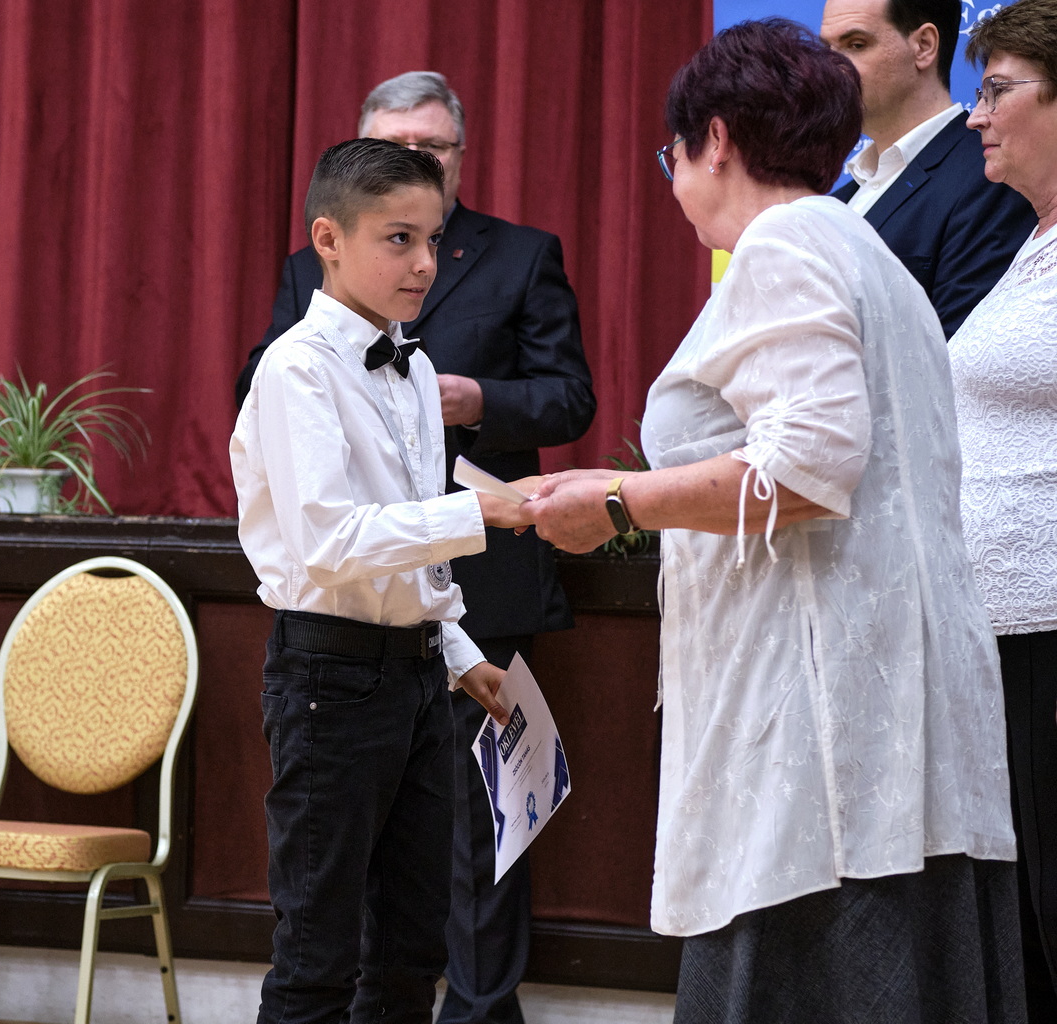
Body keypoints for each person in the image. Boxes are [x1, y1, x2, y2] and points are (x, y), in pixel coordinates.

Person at [493, 19, 1023, 1022]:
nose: (674, 181)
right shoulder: (858, 246)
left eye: (673, 156)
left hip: (819, 734)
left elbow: (809, 464)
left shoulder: (784, 244)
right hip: (880, 710)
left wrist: (617, 502)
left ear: (717, 139)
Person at [235, 71, 595, 1024]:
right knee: (318, 958)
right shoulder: (296, 369)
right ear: (329, 241)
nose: (425, 264)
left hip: (419, 675)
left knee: (410, 953)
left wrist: (461, 653)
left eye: (433, 239)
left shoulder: (415, 363)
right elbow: (331, 543)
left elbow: (409, 543)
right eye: (399, 240)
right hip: (328, 678)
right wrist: (489, 513)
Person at [950, 1, 1057, 1016]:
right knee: (1019, 927)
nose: (977, 115)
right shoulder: (1033, 243)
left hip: (1050, 632)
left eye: (996, 92)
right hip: (1001, 632)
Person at [821, 0, 1035, 338]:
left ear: (923, 45)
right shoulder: (835, 202)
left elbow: (961, 355)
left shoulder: (992, 176)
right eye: (825, 49)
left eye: (856, 45)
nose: (830, 68)